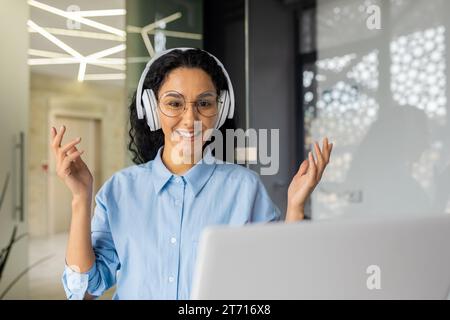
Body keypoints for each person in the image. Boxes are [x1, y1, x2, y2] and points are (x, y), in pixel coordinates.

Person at [50, 48, 333, 300]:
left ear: (220, 112)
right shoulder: (120, 190)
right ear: (152, 110)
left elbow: (276, 280)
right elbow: (85, 291)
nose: (190, 118)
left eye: (204, 103)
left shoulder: (243, 188)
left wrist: (295, 207)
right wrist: (80, 198)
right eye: (174, 103)